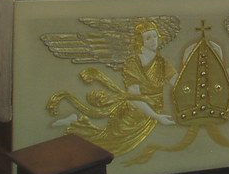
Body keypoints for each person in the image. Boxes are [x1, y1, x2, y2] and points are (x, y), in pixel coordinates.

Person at [47, 20, 177, 155]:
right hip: (135, 112)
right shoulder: (133, 63)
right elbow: (134, 97)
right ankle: (75, 124)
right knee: (109, 144)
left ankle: (77, 124)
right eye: (148, 37)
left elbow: (177, 82)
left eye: (155, 36)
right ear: (140, 41)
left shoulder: (162, 61)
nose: (153, 40)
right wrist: (156, 116)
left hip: (155, 108)